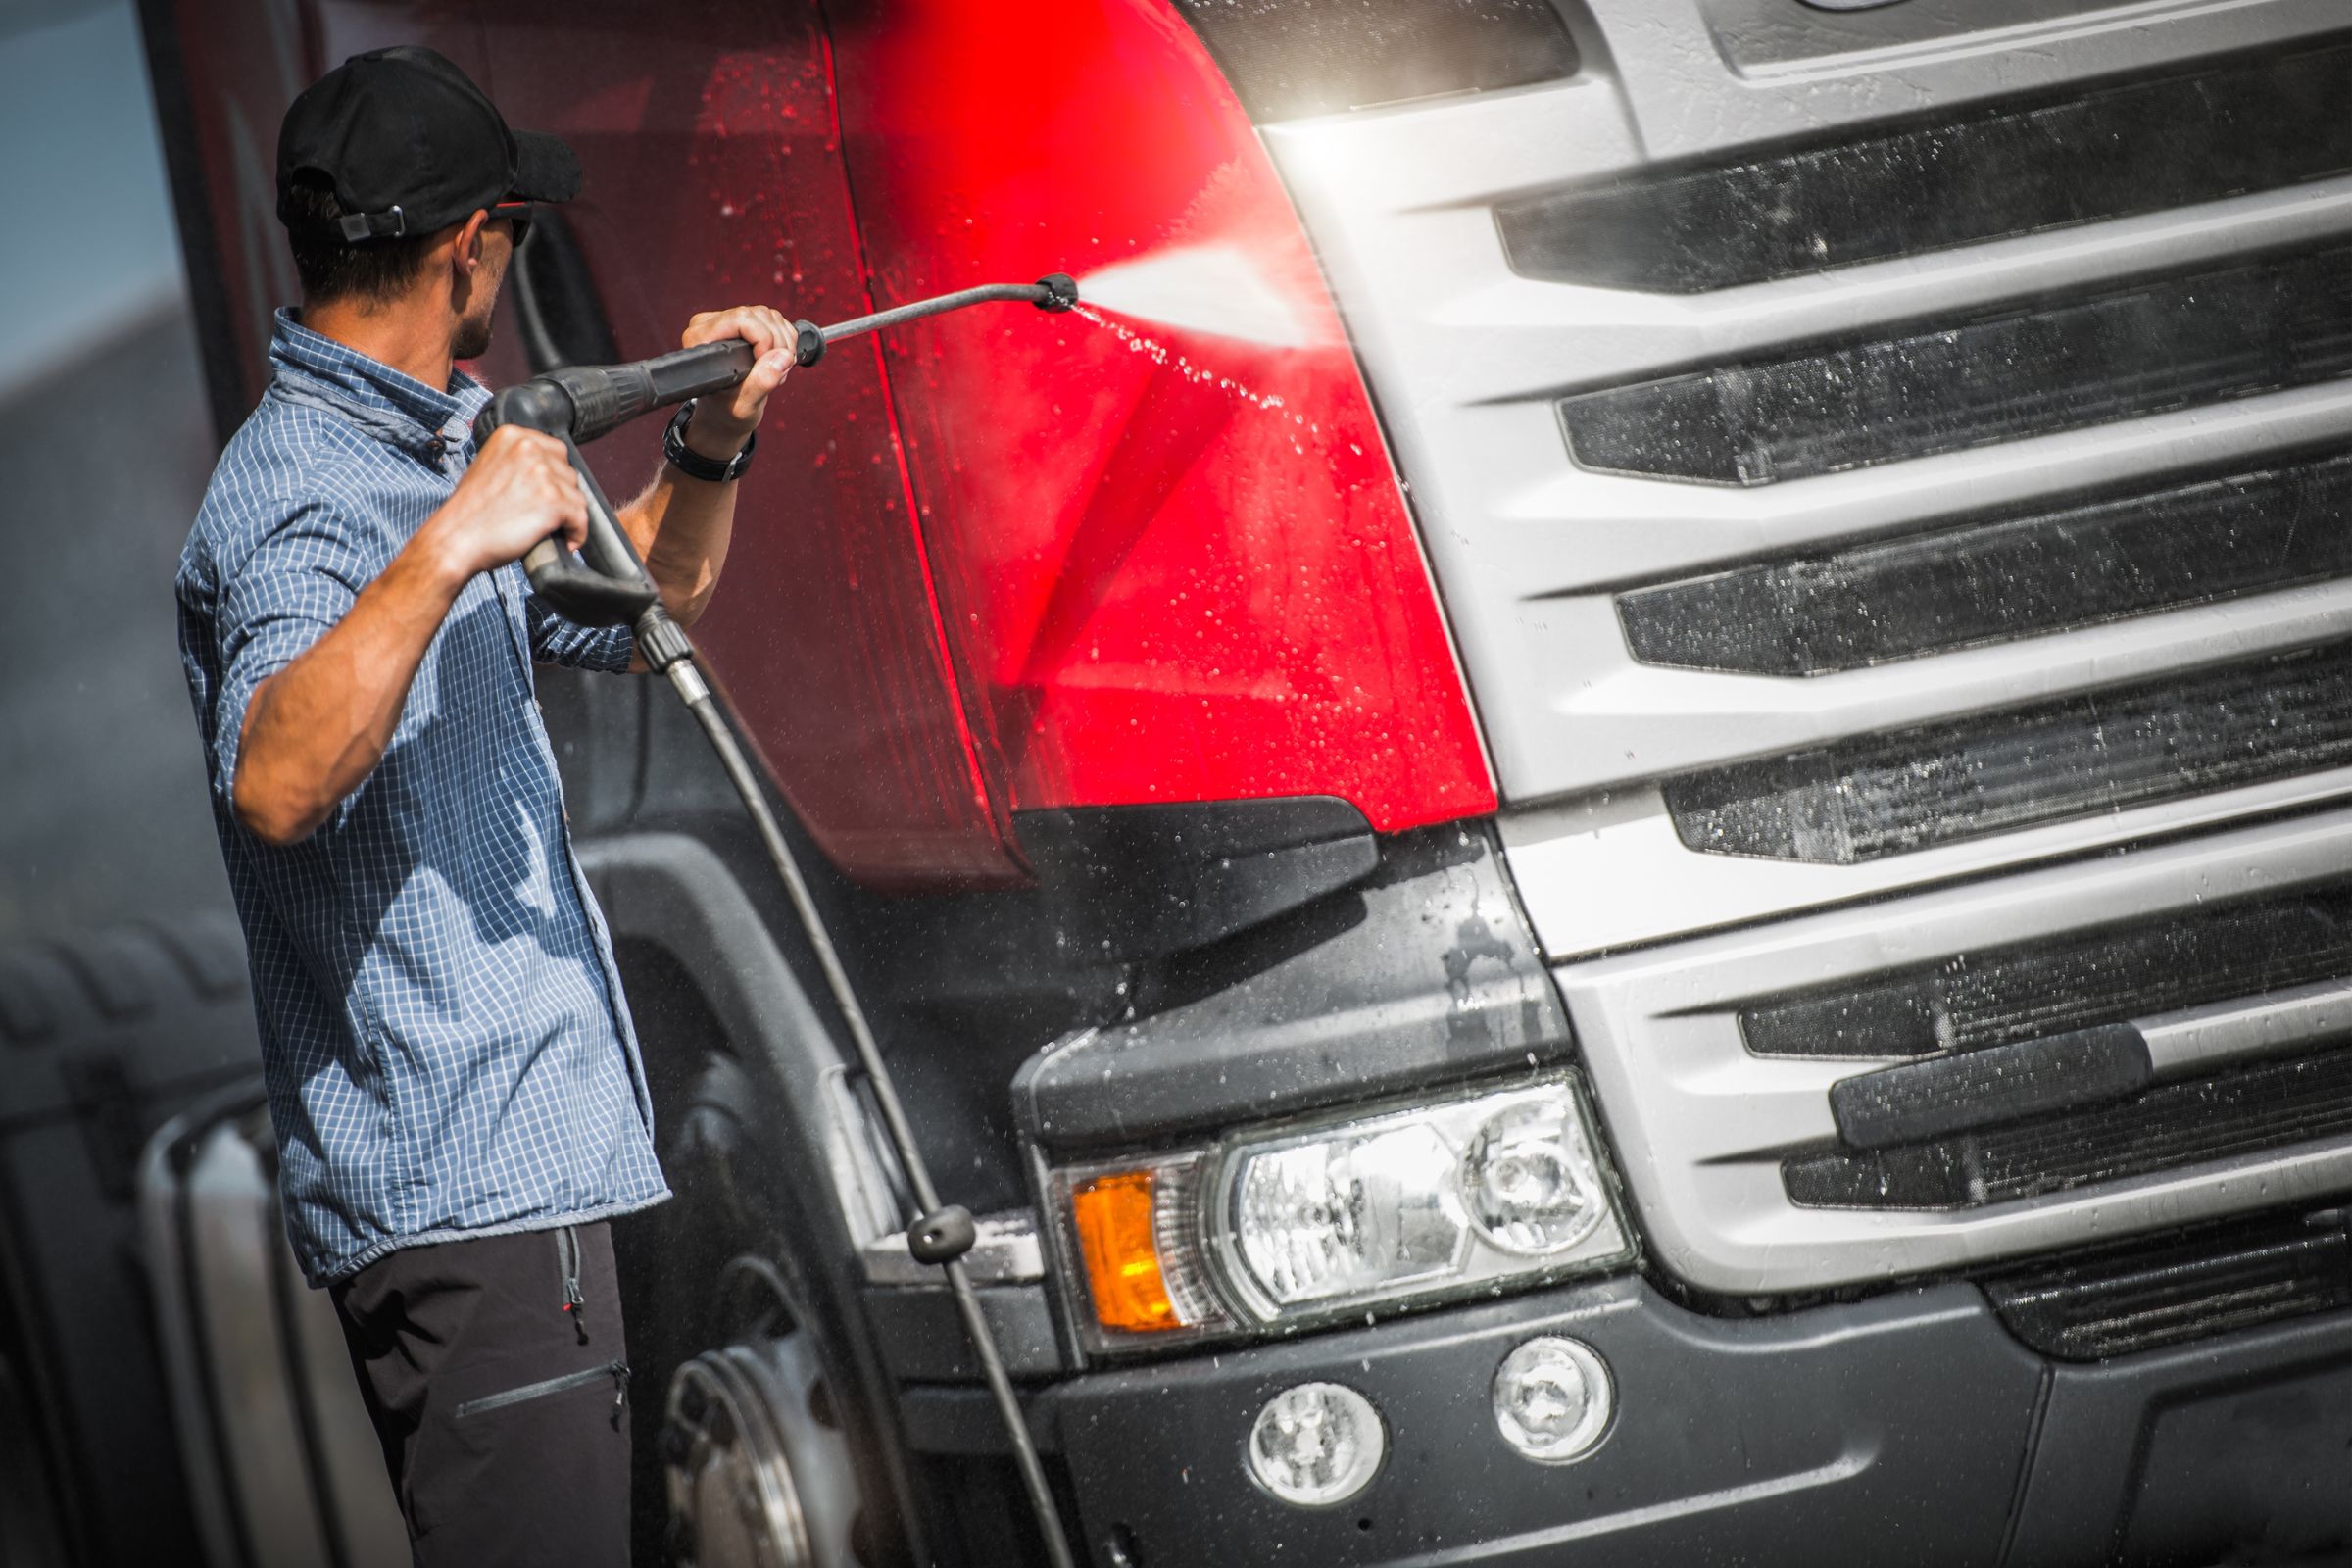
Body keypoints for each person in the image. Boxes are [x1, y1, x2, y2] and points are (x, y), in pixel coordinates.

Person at [174, 44, 798, 1565]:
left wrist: (714, 433)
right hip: (469, 1215)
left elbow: (650, 595)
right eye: (512, 235)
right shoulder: (302, 497)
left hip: (541, 1187)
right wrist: (449, 543)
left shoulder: (425, 442)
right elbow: (273, 778)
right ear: (471, 247)